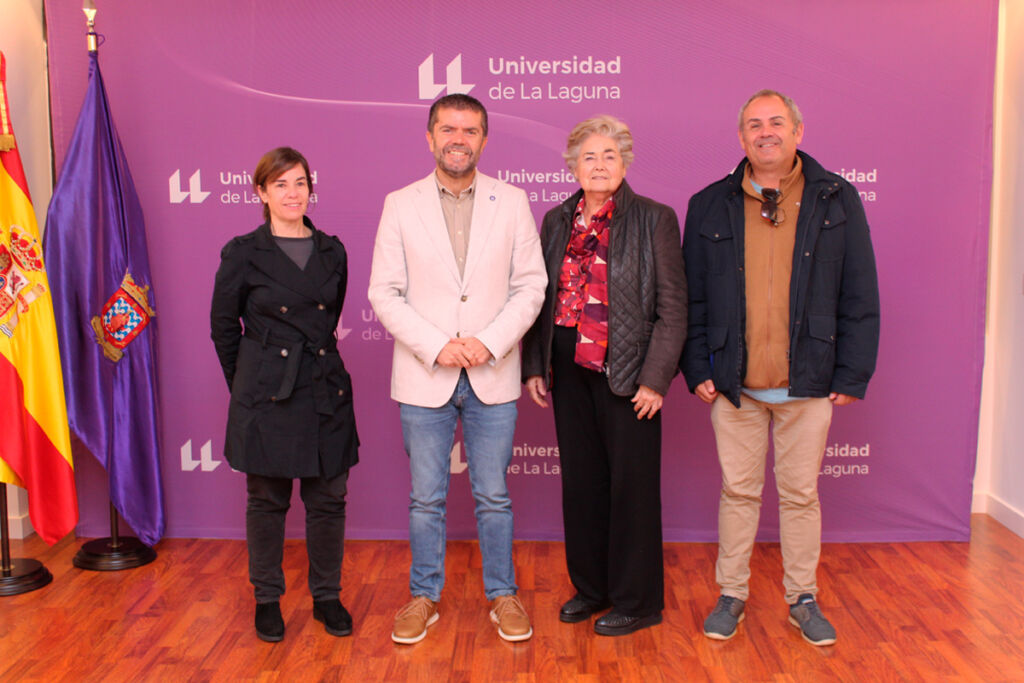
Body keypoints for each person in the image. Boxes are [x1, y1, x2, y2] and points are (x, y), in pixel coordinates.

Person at [681, 90, 880, 646]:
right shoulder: (709, 203)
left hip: (808, 382)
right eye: (754, 124)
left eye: (775, 122)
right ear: (741, 136)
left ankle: (802, 598)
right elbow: (692, 296)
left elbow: (860, 291)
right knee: (738, 493)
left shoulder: (836, 197)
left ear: (798, 131)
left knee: (800, 496)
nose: (765, 132)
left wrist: (851, 373)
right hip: (735, 385)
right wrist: (697, 365)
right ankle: (732, 594)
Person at [368, 94, 546, 644]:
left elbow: (531, 285)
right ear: (430, 137)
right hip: (425, 375)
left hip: (493, 374)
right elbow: (384, 291)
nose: (458, 140)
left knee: (494, 497)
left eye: (470, 130)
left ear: (484, 140)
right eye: (448, 129)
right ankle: (423, 597)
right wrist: (438, 346)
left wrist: (488, 343)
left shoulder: (511, 201)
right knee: (426, 499)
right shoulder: (400, 204)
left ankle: (503, 595)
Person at [521, 115, 687, 636]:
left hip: (629, 373)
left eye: (609, 156)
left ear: (625, 163)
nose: (598, 165)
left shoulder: (654, 218)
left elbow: (673, 306)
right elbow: (538, 296)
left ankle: (637, 601)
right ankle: (591, 589)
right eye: (589, 156)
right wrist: (535, 363)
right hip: (568, 370)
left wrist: (655, 379)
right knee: (583, 484)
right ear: (573, 165)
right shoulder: (556, 219)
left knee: (631, 489)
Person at [211, 147, 359, 643]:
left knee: (329, 500)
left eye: (300, 183)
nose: (292, 193)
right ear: (261, 192)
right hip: (266, 394)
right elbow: (223, 329)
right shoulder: (242, 252)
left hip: (324, 386)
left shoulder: (333, 251)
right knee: (267, 500)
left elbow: (328, 319)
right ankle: (267, 599)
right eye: (280, 184)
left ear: (310, 189)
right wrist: (249, 384)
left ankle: (327, 597)